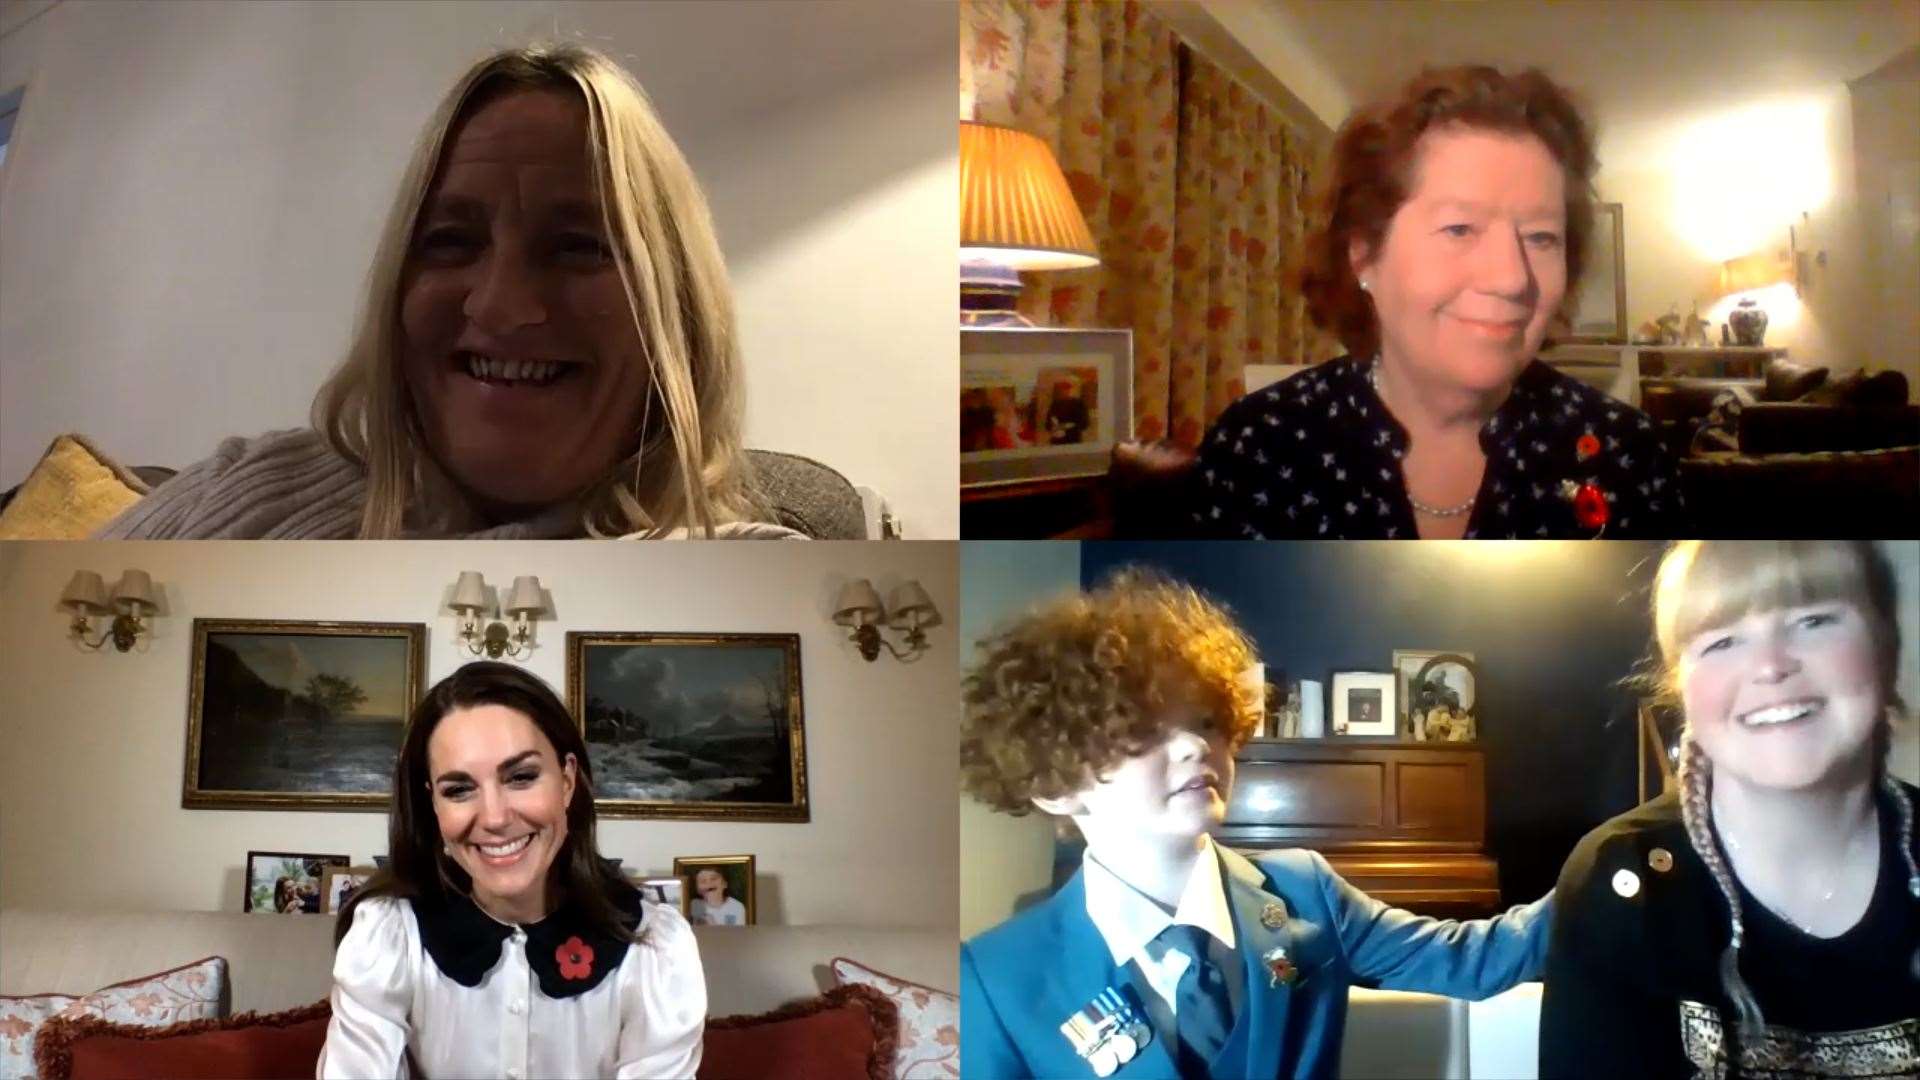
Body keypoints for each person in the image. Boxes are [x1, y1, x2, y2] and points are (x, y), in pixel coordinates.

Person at [98, 43, 797, 540]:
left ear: (678, 306)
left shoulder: (771, 589)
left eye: (580, 246)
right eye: (452, 241)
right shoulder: (233, 494)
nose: (502, 306)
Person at [959, 570, 1552, 1079]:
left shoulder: (1306, 891)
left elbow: (1478, 960)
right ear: (1055, 784)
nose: (1195, 745)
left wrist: (1610, 864)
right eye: (1139, 731)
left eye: (1207, 722)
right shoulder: (995, 975)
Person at [1186, 66, 1681, 540]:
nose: (1510, 279)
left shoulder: (1627, 454)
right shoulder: (1258, 448)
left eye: (1540, 237)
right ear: (1364, 257)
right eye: (1459, 229)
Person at [1540, 541, 1919, 1078]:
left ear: (1886, 647)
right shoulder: (1622, 881)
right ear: (1681, 687)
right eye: (1722, 641)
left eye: (1813, 620)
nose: (1769, 666)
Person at [317, 662, 704, 1078]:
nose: (495, 818)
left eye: (521, 776)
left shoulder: (655, 949)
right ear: (433, 803)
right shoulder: (388, 938)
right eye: (459, 789)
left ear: (568, 780)